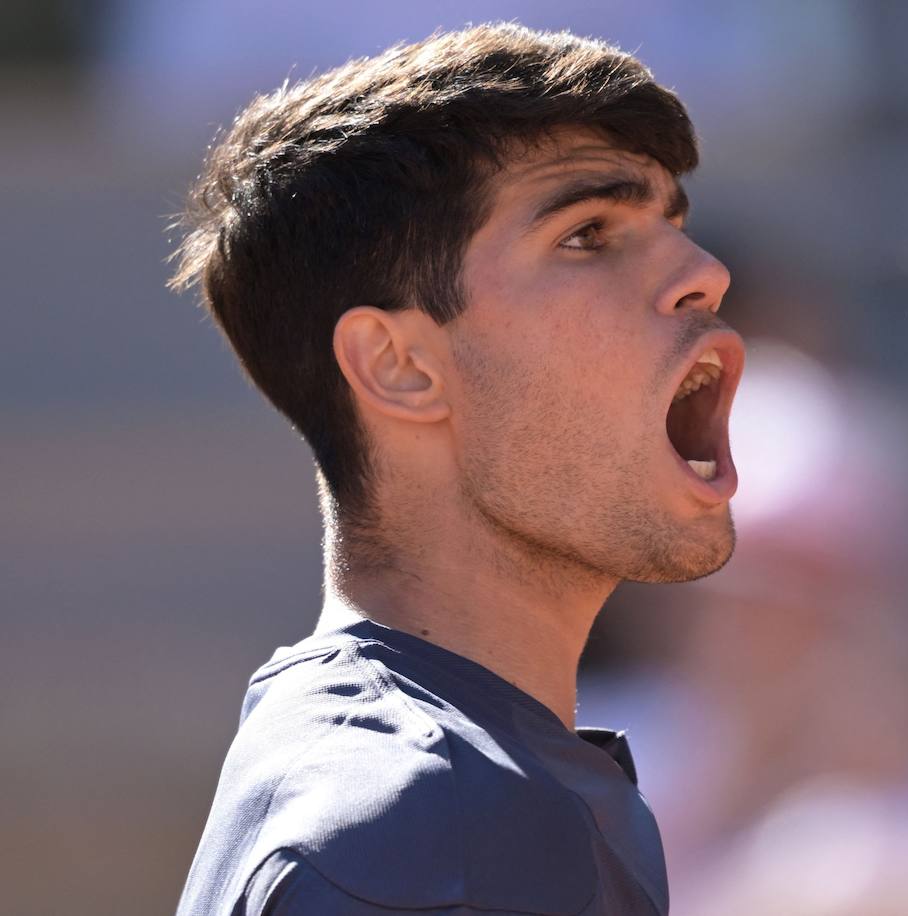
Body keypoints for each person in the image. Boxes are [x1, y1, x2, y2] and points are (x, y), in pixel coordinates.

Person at [170, 24, 740, 915]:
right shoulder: (424, 827)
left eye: (672, 222)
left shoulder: (423, 788)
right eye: (588, 234)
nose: (703, 275)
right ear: (400, 366)